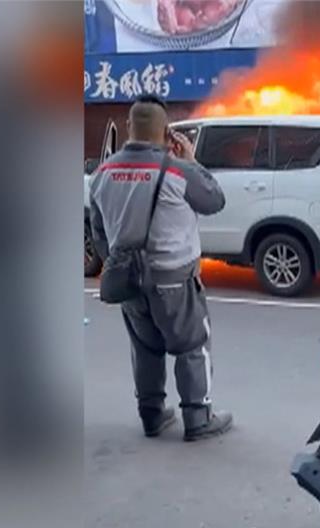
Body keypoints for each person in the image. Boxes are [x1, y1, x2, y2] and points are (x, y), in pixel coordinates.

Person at [89, 94, 232, 441]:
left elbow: (98, 232)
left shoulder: (101, 174)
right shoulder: (177, 171)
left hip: (129, 280)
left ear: (128, 127)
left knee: (145, 347)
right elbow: (215, 200)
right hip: (175, 280)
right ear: (167, 132)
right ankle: (198, 419)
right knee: (192, 345)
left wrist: (122, 263)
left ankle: (151, 416)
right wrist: (193, 161)